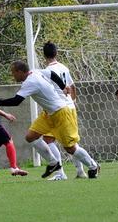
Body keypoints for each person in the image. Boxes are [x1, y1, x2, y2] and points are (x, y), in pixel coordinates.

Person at [0, 60, 100, 179]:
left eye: (13, 73)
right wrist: (63, 86)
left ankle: (93, 166)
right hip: (48, 114)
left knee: (70, 148)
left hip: (61, 112)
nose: (13, 76)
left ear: (20, 72)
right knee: (31, 137)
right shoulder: (36, 72)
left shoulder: (30, 82)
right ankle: (54, 163)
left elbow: (16, 101)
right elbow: (52, 74)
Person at [42, 41, 87, 180]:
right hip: (69, 106)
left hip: (57, 109)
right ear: (56, 53)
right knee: (70, 141)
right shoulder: (64, 67)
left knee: (48, 139)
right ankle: (80, 171)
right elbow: (72, 86)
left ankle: (60, 173)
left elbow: (47, 92)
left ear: (44, 55)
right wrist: (73, 101)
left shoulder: (47, 72)